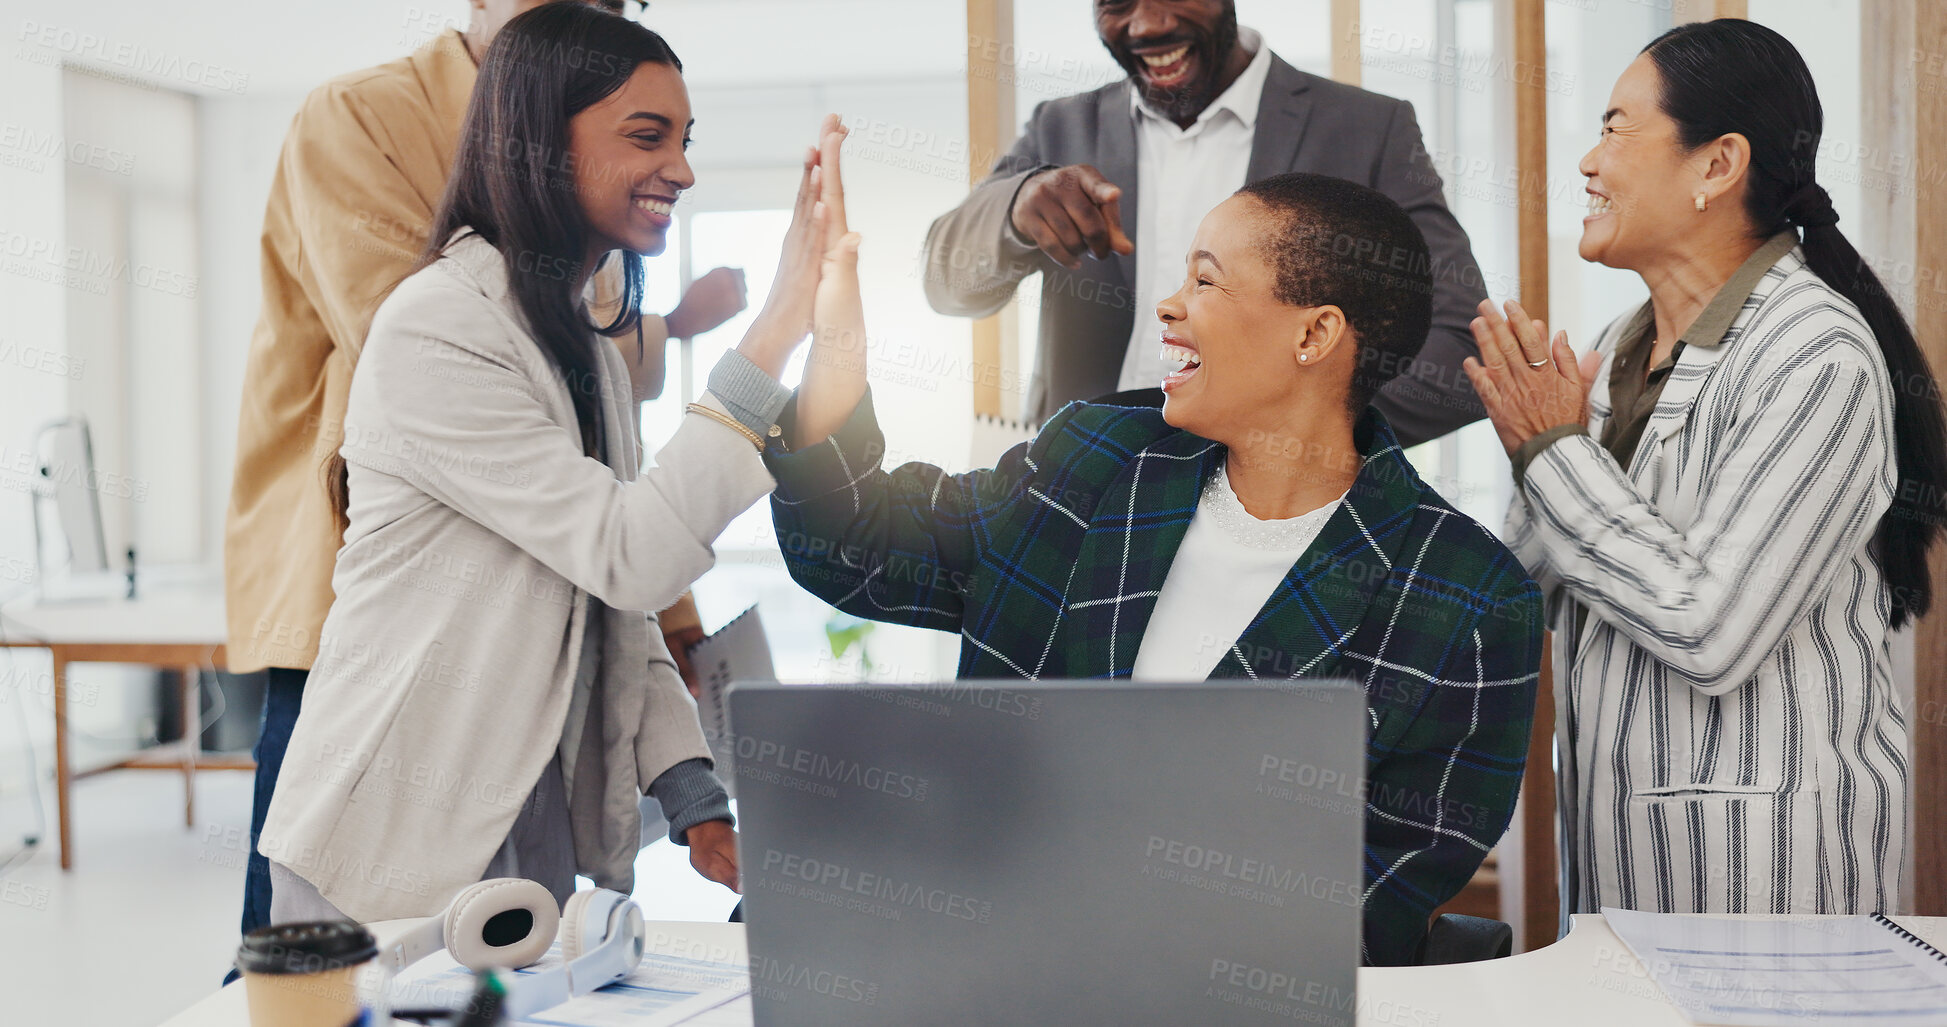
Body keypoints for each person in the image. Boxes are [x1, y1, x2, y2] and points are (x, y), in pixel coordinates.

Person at [774, 130, 1542, 964]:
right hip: (991, 970)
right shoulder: (1099, 456)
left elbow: (1364, 912)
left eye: (1204, 280)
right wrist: (834, 332)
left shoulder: (1466, 597)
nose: (1168, 306)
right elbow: (849, 541)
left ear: (1315, 334)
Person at [258, 5, 835, 924]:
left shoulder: (588, 348)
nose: (681, 170)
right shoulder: (439, 324)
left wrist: (695, 802)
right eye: (647, 137)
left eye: (684, 140)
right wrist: (772, 330)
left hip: (525, 834)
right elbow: (633, 550)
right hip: (387, 856)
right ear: (536, 142)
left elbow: (614, 603)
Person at [1464, 19, 1940, 917]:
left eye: (1614, 127)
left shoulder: (1816, 352)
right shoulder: (1611, 353)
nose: (1587, 162)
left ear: (1716, 165)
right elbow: (1531, 593)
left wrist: (1550, 452)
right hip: (1618, 875)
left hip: (1771, 881)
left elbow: (1706, 626)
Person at [921, 0, 1489, 444]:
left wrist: (1302, 435)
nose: (1146, 24)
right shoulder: (1062, 127)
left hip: (1284, 519)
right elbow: (945, 282)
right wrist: (1016, 210)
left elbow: (1467, 345)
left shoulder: (1367, 128)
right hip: (1084, 507)